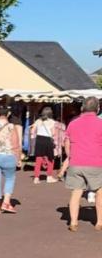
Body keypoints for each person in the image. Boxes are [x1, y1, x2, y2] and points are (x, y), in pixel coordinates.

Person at [63, 96, 102, 232]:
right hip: (96, 162)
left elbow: (67, 142)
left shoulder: (73, 123)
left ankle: (73, 222)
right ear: (97, 109)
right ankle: (99, 222)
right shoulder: (100, 123)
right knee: (99, 192)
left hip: (76, 162)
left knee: (76, 192)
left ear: (82, 108)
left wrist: (70, 156)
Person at [30, 107, 59, 184]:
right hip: (48, 140)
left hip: (39, 139)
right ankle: (49, 176)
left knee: (38, 159)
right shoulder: (52, 122)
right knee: (50, 158)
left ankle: (36, 177)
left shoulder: (38, 121)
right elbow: (53, 133)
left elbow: (32, 131)